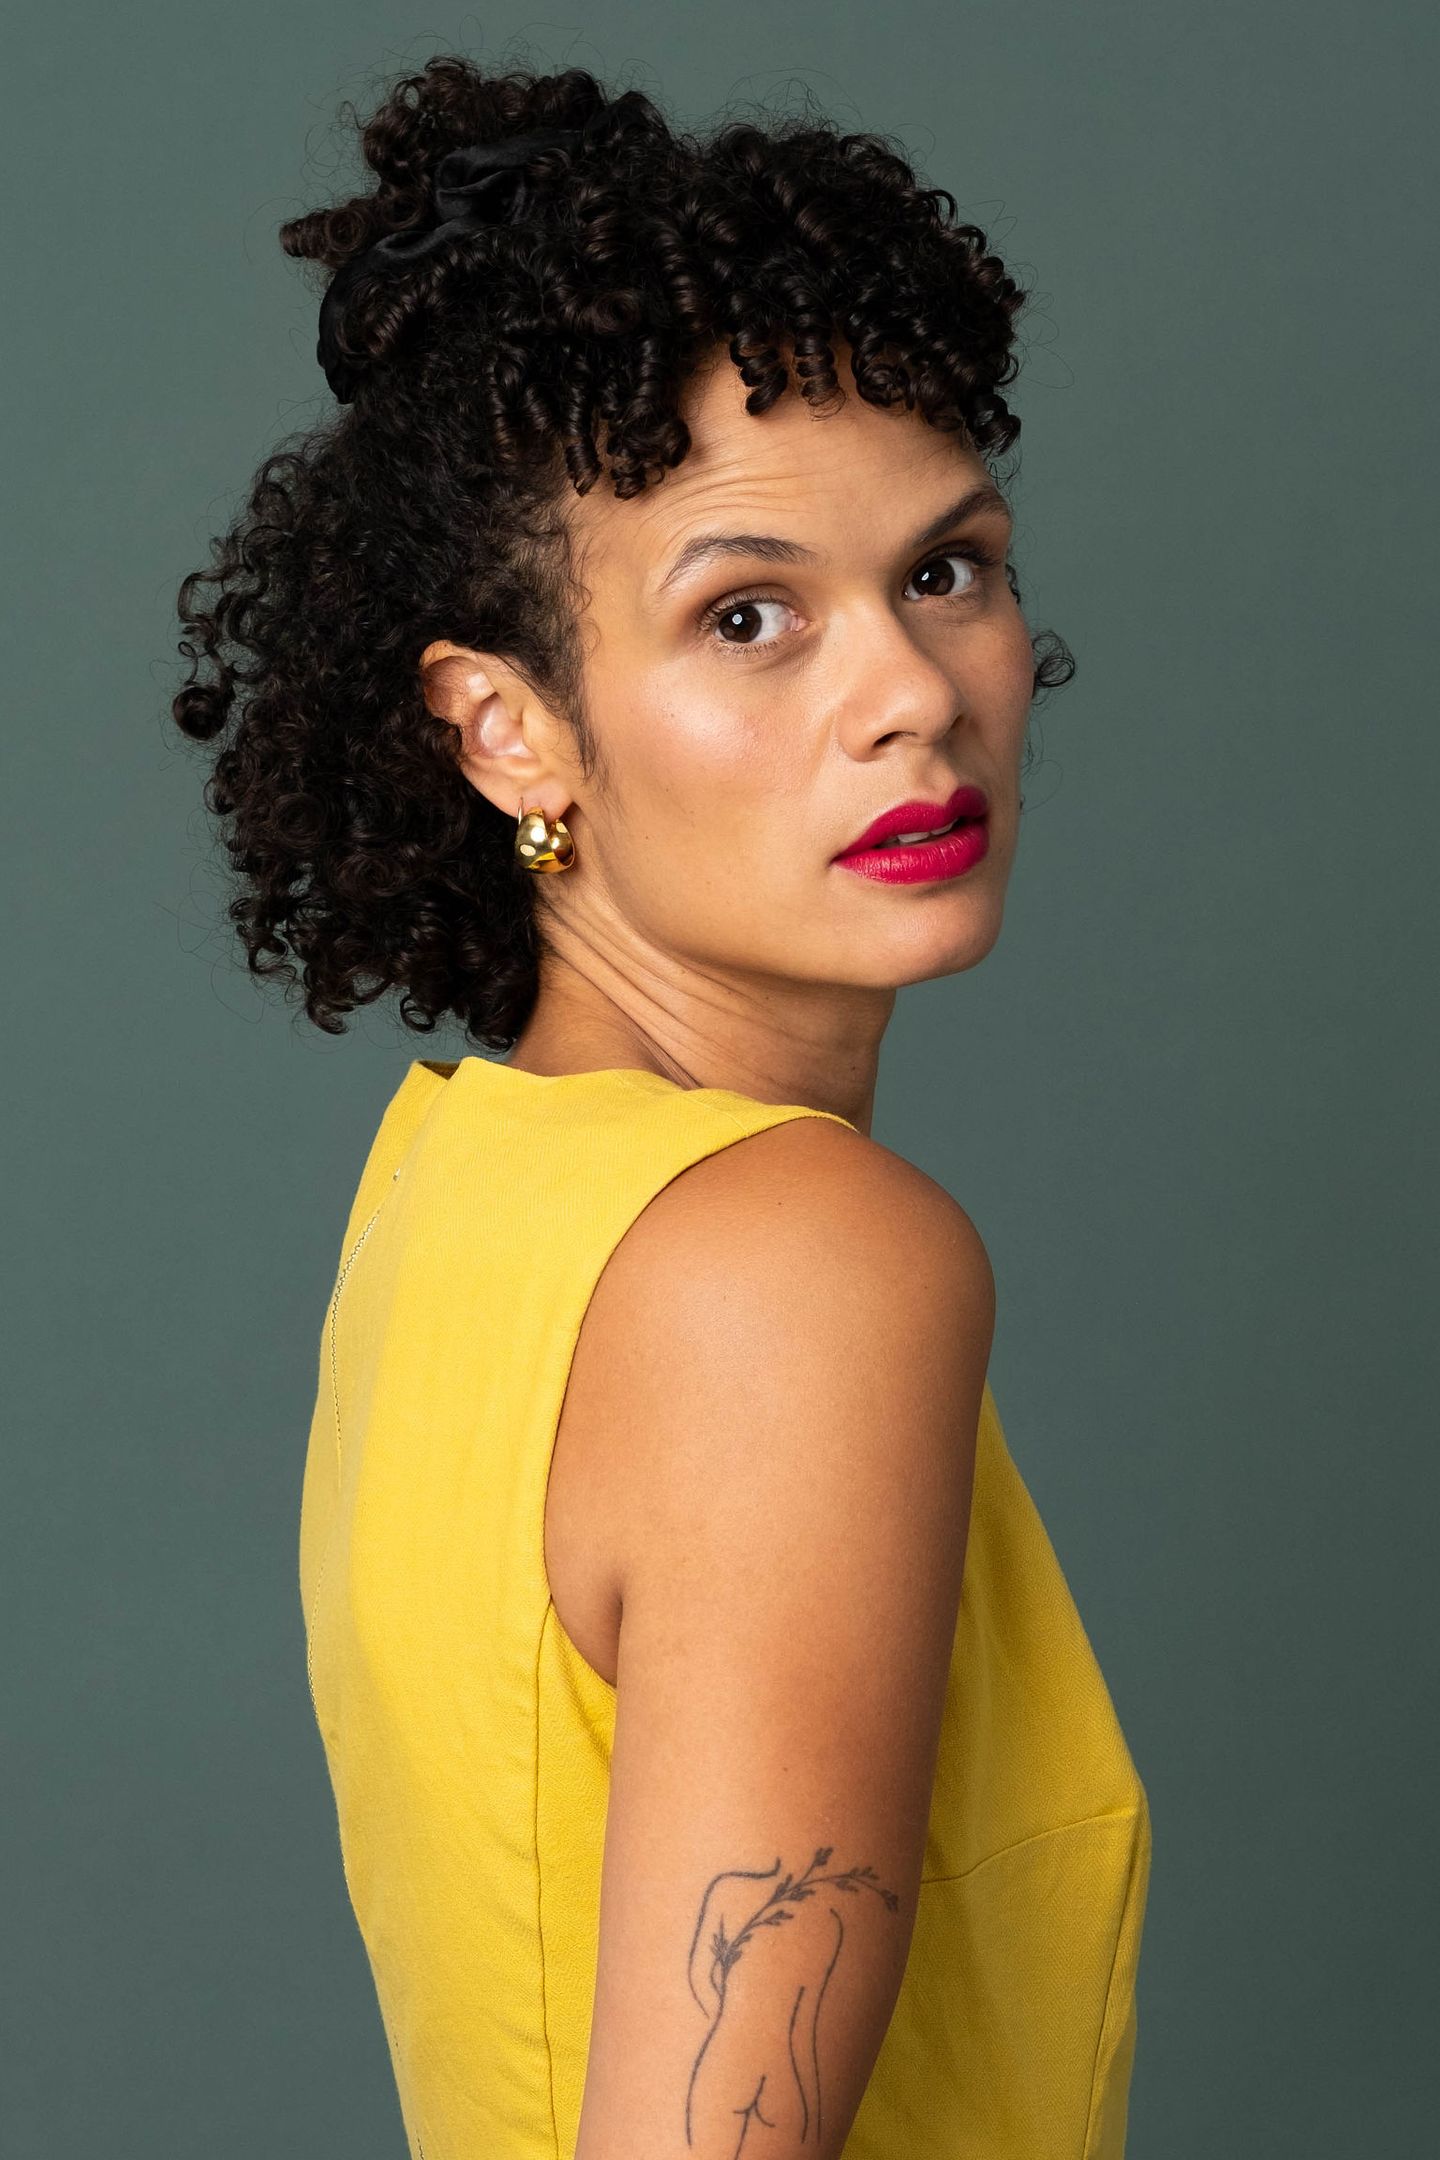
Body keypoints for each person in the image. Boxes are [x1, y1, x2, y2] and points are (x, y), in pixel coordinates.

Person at [173, 54, 1150, 2160]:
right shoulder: (797, 1263)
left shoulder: (468, 1191)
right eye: (747, 616)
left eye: (947, 571)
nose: (912, 694)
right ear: (506, 729)